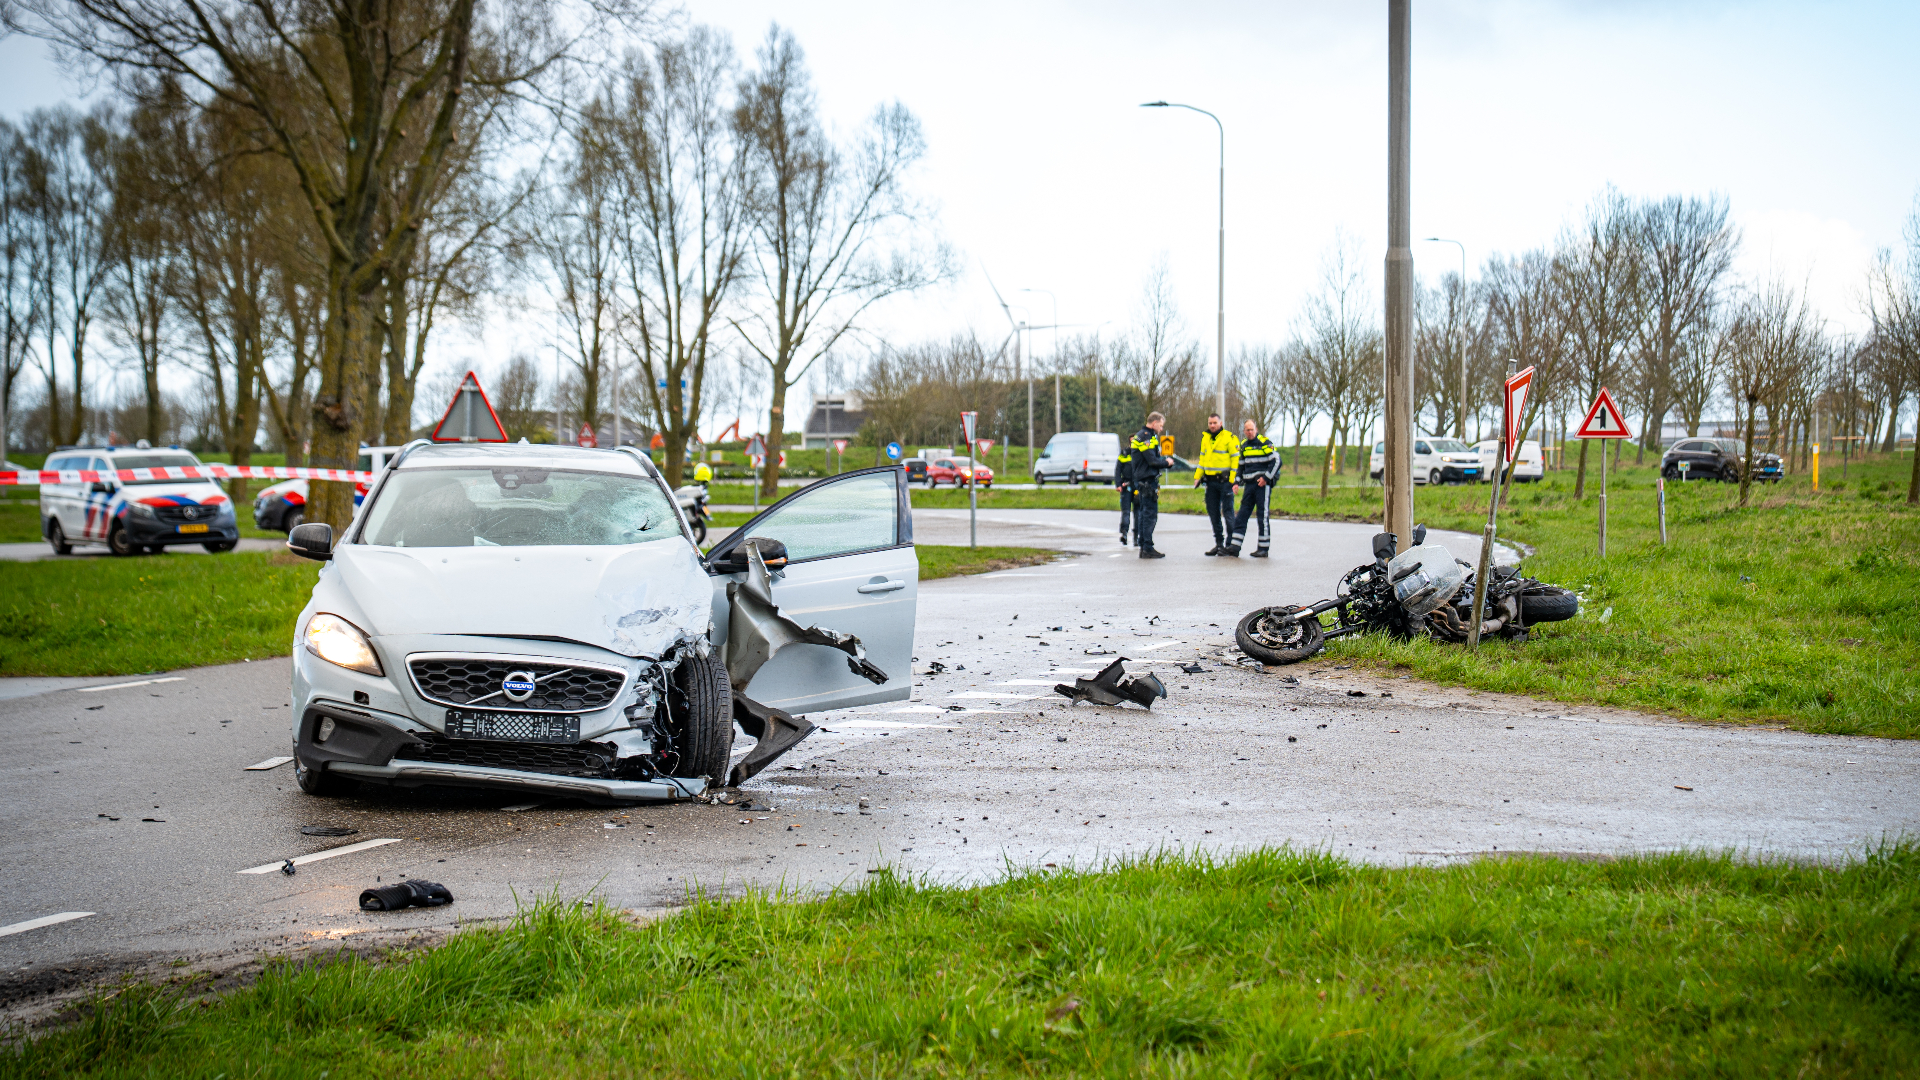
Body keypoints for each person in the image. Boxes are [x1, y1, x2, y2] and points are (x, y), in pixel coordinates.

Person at [1225, 419, 1279, 557]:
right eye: (1247, 430)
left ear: (1256, 429)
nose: (1249, 432)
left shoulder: (1265, 443)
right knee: (1242, 516)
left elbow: (1276, 461)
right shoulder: (1244, 445)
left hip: (1262, 486)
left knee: (1262, 516)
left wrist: (1266, 478)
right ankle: (1235, 547)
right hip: (1249, 486)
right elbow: (1240, 466)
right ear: (1244, 431)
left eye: (1251, 430)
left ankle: (1263, 548)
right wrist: (1236, 482)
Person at [1193, 413, 1241, 555]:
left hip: (1226, 482)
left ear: (1220, 423)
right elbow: (1202, 459)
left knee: (1228, 513)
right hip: (1211, 482)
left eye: (1214, 423)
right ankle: (1219, 544)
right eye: (1210, 423)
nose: (1212, 426)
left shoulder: (1229, 438)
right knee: (1213, 514)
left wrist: (1233, 480)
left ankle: (1230, 545)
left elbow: (1235, 461)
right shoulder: (1205, 438)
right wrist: (1197, 477)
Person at [1128, 413, 1173, 558]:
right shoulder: (1146, 437)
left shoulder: (1143, 436)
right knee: (1149, 514)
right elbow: (1152, 460)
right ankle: (1147, 547)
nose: (1161, 428)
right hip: (1147, 479)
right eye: (1160, 425)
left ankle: (1144, 546)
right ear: (1154, 423)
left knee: (1144, 513)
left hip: (1142, 479)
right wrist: (1167, 463)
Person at [1115, 436, 1135, 546]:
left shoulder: (1141, 453)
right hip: (1126, 486)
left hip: (1138, 487)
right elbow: (1118, 470)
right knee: (1126, 512)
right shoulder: (1124, 454)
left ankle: (1137, 536)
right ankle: (1124, 534)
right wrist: (1118, 484)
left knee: (1138, 513)